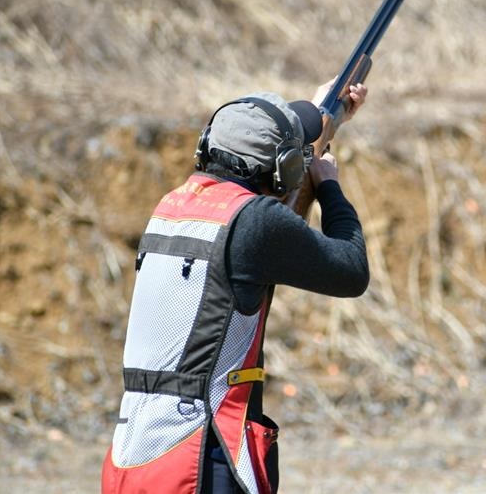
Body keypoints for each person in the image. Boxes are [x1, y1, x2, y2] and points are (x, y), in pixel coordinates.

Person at [101, 80, 370, 494]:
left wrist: (325, 115)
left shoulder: (172, 207)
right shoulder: (255, 221)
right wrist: (328, 184)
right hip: (202, 459)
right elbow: (351, 270)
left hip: (135, 454)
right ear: (284, 167)